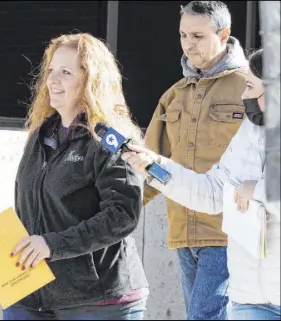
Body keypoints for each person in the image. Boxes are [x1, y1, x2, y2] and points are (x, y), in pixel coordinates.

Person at [122, 48, 280, 320]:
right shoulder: (248, 131)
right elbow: (212, 191)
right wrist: (156, 167)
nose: (243, 95)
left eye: (251, 87)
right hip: (251, 299)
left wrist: (258, 190)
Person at [4, 33, 149, 320]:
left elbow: (122, 215)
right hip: (33, 295)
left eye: (66, 72)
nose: (53, 80)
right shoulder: (39, 136)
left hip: (98, 300)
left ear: (90, 80)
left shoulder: (109, 139)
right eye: (50, 71)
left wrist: (52, 245)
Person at [143, 1, 249, 319]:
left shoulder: (251, 88)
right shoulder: (174, 94)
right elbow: (149, 164)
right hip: (183, 233)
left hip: (228, 232)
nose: (189, 43)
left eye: (198, 35)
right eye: (183, 34)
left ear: (223, 34)